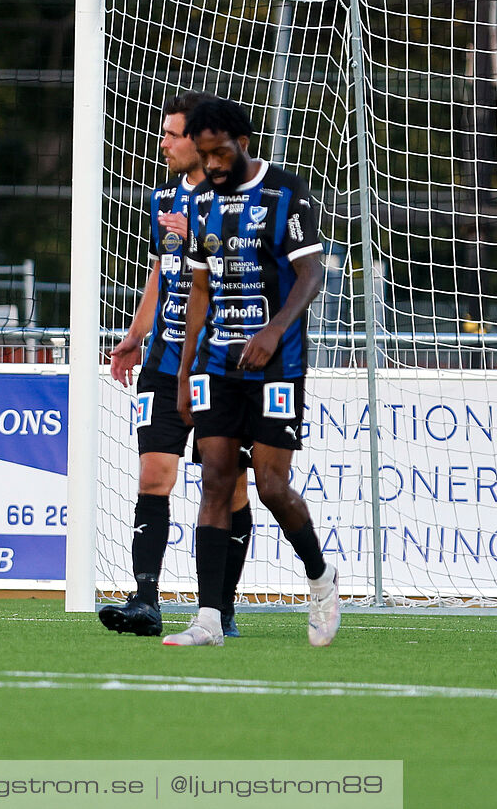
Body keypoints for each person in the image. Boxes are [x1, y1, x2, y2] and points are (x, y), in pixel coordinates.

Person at [167, 97, 339, 647]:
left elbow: (311, 274)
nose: (213, 167)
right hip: (217, 365)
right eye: (205, 156)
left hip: (277, 366)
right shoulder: (200, 204)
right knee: (215, 481)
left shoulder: (284, 193)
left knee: (270, 487)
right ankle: (209, 619)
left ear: (242, 143)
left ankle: (320, 577)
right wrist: (185, 369)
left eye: (220, 155)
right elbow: (198, 290)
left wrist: (273, 331)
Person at [98, 93, 253, 638]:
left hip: (223, 362)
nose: (162, 143)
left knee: (226, 483)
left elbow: (255, 274)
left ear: (201, 141)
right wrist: (134, 336)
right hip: (164, 360)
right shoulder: (161, 198)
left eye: (171, 134)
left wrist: (205, 244)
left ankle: (221, 607)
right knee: (153, 476)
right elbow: (160, 276)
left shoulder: (237, 200)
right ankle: (145, 599)